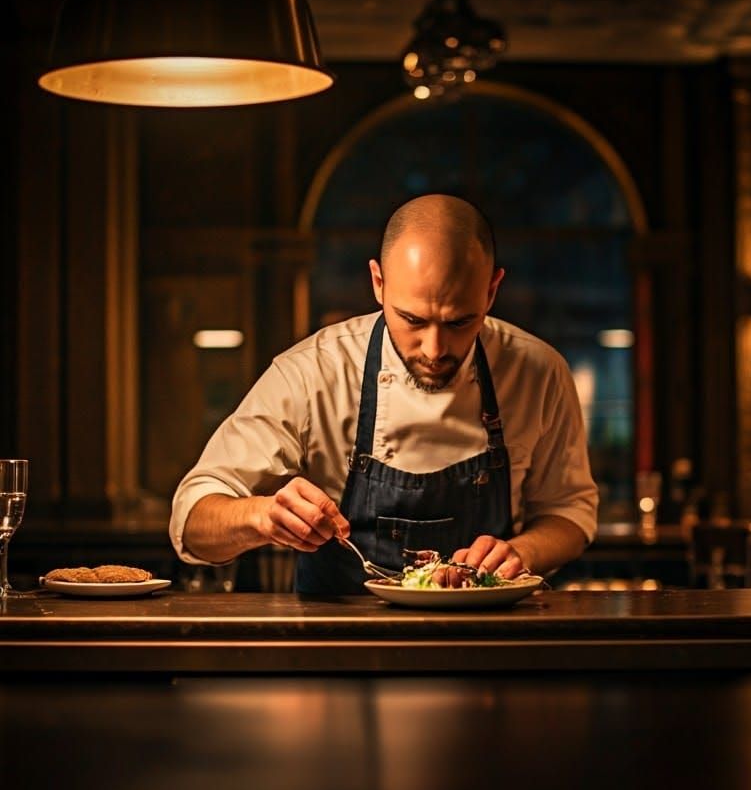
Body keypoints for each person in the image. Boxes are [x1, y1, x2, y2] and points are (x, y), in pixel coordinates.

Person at [169, 193, 598, 594]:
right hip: (338, 651)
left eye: (459, 323)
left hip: (491, 644)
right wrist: (260, 516)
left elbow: (570, 513)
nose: (434, 350)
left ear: (491, 290)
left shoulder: (539, 372)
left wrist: (523, 552)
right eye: (412, 319)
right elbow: (191, 522)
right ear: (378, 283)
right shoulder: (312, 372)